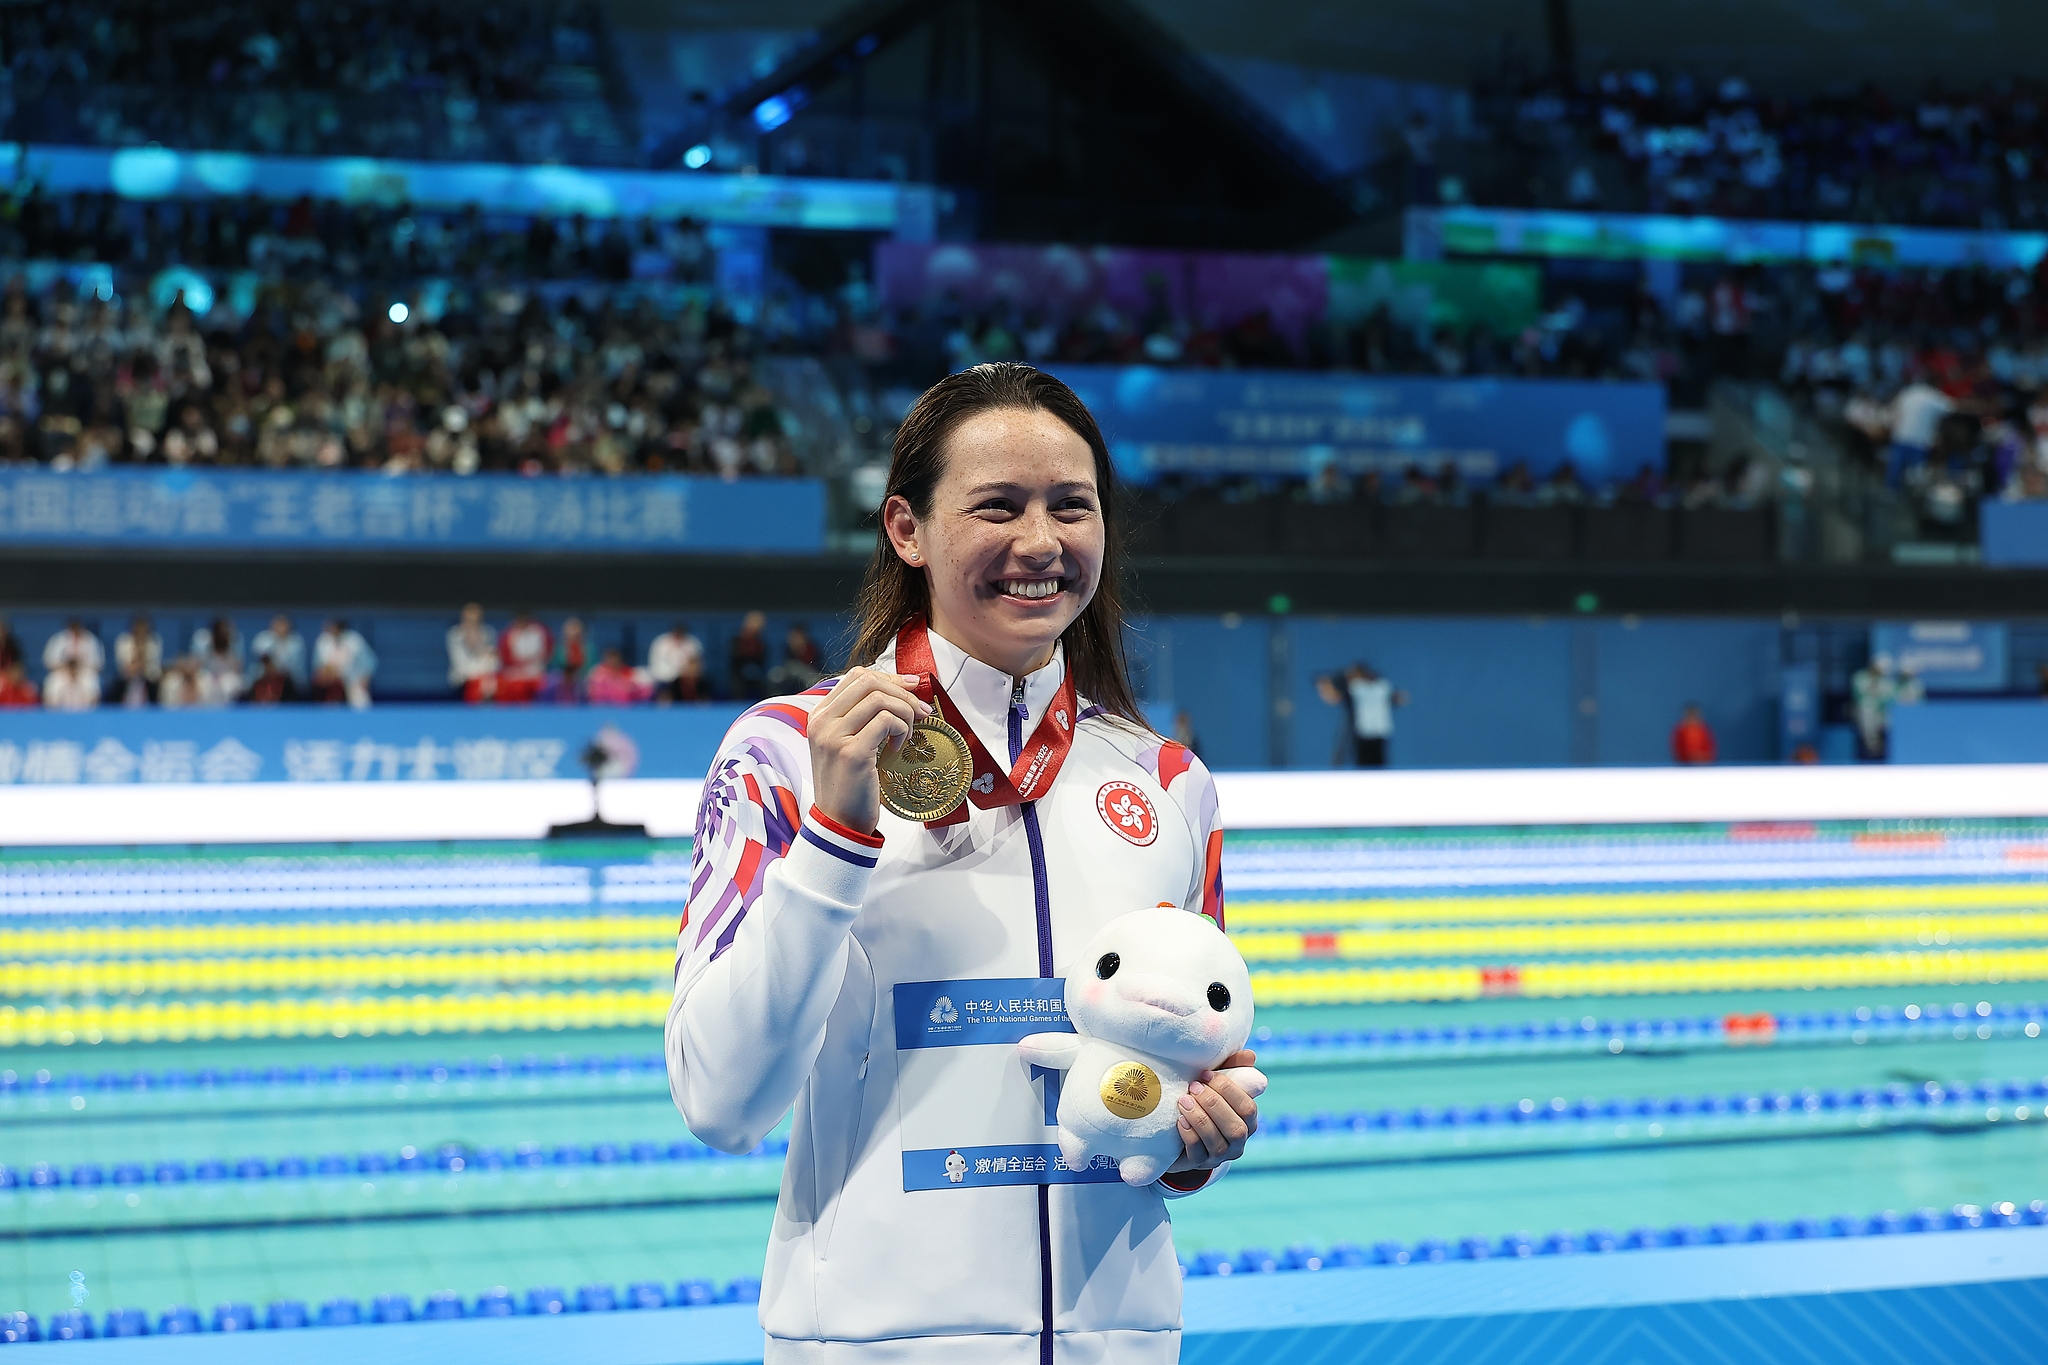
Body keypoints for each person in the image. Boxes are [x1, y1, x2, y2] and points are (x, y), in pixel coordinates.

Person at [667, 363, 1254, 1363]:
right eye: (997, 507)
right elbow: (721, 1102)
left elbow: (1178, 1084)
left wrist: (1195, 1140)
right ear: (905, 529)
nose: (1040, 543)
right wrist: (836, 836)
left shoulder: (1165, 783)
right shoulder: (785, 749)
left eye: (1071, 507)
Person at [1850, 653, 1923, 761]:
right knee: (1867, 711)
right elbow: (1859, 696)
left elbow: (1891, 698)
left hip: (1885, 712)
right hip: (1865, 711)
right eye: (1878, 669)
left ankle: (1893, 746)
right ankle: (1871, 744)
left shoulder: (1911, 684)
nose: (1879, 672)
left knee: (1892, 718)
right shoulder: (1860, 677)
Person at [1343, 663, 1407, 768]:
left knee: (1379, 764)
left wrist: (1398, 698)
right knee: (1363, 764)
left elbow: (1396, 698)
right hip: (1363, 732)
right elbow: (1340, 698)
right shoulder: (1356, 688)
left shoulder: (1383, 686)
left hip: (1380, 731)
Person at [312, 619, 377, 709]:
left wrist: (366, 677)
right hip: (333, 682)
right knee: (329, 705)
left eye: (332, 628)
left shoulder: (355, 641)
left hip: (354, 680)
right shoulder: (323, 641)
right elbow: (319, 666)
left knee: (362, 704)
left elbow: (370, 661)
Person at [447, 602, 499, 703]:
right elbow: (459, 663)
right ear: (463, 617)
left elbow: (493, 659)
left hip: (485, 676)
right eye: (469, 619)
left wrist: (485, 672)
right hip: (462, 676)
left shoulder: (488, 633)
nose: (473, 621)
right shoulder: (455, 635)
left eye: (476, 618)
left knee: (497, 683)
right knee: (481, 684)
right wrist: (478, 673)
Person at [497, 609, 551, 704]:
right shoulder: (509, 635)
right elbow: (506, 658)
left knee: (540, 684)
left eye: (524, 621)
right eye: (519, 621)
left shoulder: (539, 633)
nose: (522, 623)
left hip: (536, 670)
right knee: (508, 685)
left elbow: (546, 654)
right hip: (515, 671)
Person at [42, 619, 104, 696]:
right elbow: (49, 661)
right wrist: (66, 665)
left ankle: (93, 708)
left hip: (84, 671)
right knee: (53, 682)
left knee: (92, 682)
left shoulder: (91, 639)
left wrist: (80, 663)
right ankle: (52, 708)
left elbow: (98, 664)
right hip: (63, 671)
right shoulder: (59, 639)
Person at [191, 617, 245, 705]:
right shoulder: (204, 642)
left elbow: (238, 669)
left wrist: (221, 677)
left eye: (226, 632)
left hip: (227, 676)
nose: (223, 635)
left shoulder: (235, 642)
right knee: (201, 683)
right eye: (221, 632)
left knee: (231, 683)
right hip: (208, 676)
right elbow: (197, 666)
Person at [113, 613, 163, 707]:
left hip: (149, 677)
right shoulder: (123, 641)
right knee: (118, 685)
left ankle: (155, 708)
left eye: (143, 628)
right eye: (138, 628)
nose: (141, 631)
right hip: (127, 677)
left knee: (154, 683)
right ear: (133, 628)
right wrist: (137, 654)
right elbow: (125, 667)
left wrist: (142, 651)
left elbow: (150, 667)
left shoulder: (154, 641)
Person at [648, 621, 705, 703]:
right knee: (666, 689)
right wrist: (675, 674)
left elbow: (697, 664)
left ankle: (700, 709)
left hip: (686, 677)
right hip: (666, 677)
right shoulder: (661, 643)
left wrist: (688, 673)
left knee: (702, 685)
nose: (679, 638)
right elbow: (656, 666)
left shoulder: (692, 643)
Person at [250, 615, 307, 692]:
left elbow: (293, 666)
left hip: (289, 677)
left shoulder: (296, 642)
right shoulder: (263, 638)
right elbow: (260, 658)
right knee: (254, 674)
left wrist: (277, 669)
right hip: (264, 674)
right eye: (278, 624)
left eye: (283, 624)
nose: (280, 628)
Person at [766, 621, 826, 694]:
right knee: (776, 676)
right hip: (791, 674)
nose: (796, 639)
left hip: (809, 675)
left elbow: (819, 668)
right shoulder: (788, 648)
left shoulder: (813, 648)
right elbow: (787, 665)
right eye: (793, 636)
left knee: (812, 680)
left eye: (798, 636)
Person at [583, 647, 654, 705]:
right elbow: (594, 693)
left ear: (620, 660)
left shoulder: (631, 674)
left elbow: (646, 691)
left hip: (626, 710)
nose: (613, 662)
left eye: (615, 659)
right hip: (601, 709)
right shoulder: (597, 673)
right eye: (610, 659)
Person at [728, 610, 769, 700]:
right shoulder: (737, 640)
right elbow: (734, 660)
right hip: (739, 673)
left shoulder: (761, 642)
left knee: (767, 685)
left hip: (756, 674)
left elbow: (762, 661)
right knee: (737, 685)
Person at [548, 617, 589, 700]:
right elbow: (553, 667)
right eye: (570, 635)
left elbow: (591, 668)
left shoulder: (589, 650)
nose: (573, 638)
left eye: (577, 635)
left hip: (582, 679)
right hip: (562, 679)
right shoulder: (559, 650)